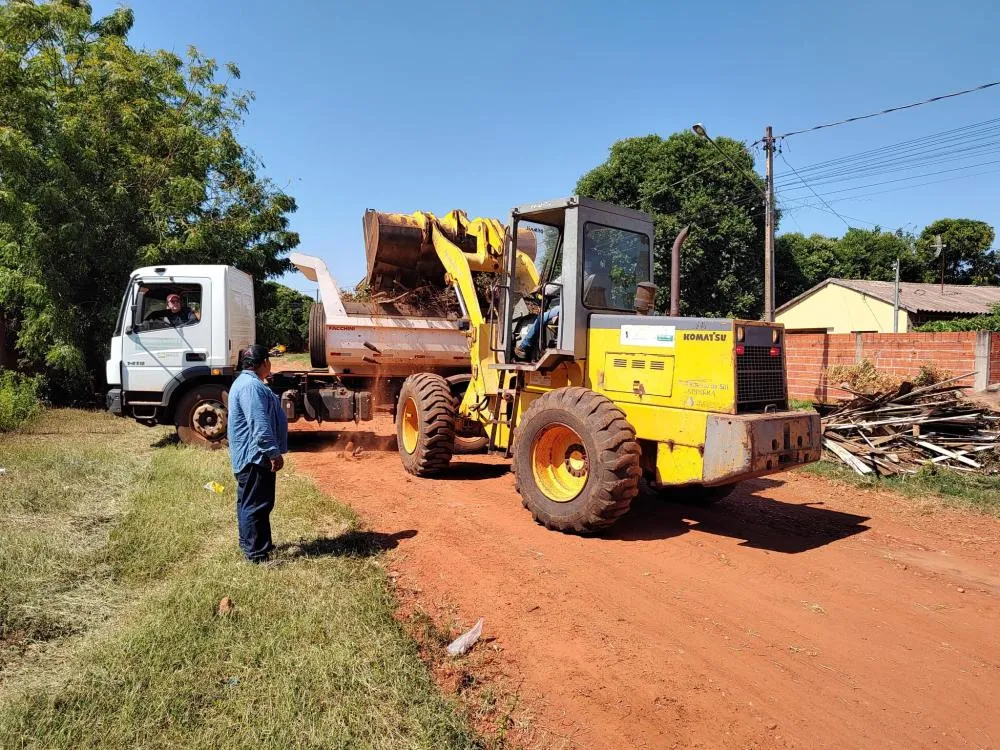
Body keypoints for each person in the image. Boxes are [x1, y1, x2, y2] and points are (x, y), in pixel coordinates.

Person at [227, 344, 288, 564]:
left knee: (249, 503)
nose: (270, 365)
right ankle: (257, 555)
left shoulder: (244, 383)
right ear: (263, 363)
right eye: (269, 362)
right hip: (255, 457)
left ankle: (252, 545)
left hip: (249, 456)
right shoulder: (251, 387)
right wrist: (273, 453)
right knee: (257, 505)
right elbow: (259, 425)